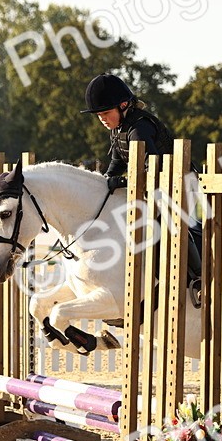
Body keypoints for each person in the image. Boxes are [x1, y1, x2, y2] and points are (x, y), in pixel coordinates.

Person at [82, 73, 205, 303]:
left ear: (123, 105)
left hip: (181, 181)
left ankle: (199, 277)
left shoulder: (140, 128)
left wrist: (123, 182)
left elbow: (153, 169)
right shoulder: (118, 128)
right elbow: (118, 162)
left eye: (105, 113)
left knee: (169, 220)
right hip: (156, 183)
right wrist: (107, 179)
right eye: (99, 115)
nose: (102, 119)